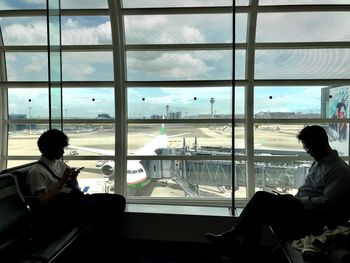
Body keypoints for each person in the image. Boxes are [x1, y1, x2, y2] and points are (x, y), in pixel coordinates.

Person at [205, 125, 350, 261]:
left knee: (260, 199)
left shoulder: (339, 170)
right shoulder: (319, 162)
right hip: (300, 207)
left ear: (319, 144)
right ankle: (240, 254)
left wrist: (300, 201)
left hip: (313, 217)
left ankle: (232, 239)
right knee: (257, 214)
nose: (309, 153)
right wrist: (293, 199)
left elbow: (326, 202)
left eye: (309, 149)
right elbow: (310, 189)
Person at [27, 129, 126, 248]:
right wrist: (63, 181)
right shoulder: (36, 172)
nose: (63, 152)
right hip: (62, 208)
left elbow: (70, 185)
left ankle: (107, 242)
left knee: (119, 200)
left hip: (75, 200)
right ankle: (107, 245)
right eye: (60, 148)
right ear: (50, 148)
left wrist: (72, 178)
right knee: (106, 208)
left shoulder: (58, 163)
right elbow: (42, 202)